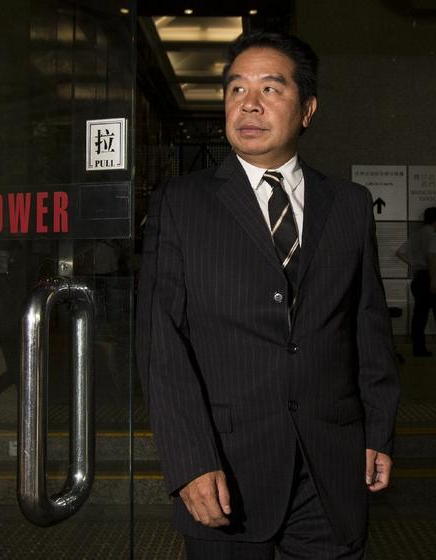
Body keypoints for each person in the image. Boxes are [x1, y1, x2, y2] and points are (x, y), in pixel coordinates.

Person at [136, 31, 399, 559]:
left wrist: (378, 430)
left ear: (308, 109)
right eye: (236, 89)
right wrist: (190, 462)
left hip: (331, 472)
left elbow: (367, 328)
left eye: (270, 89)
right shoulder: (181, 204)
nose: (249, 104)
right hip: (226, 474)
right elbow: (160, 344)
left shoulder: (349, 204)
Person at [395, 207, 436, 357]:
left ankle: (419, 350)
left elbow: (399, 252)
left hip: (418, 279)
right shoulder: (432, 235)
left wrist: (415, 264)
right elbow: (431, 258)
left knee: (419, 316)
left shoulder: (416, 235)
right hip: (430, 278)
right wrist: (433, 280)